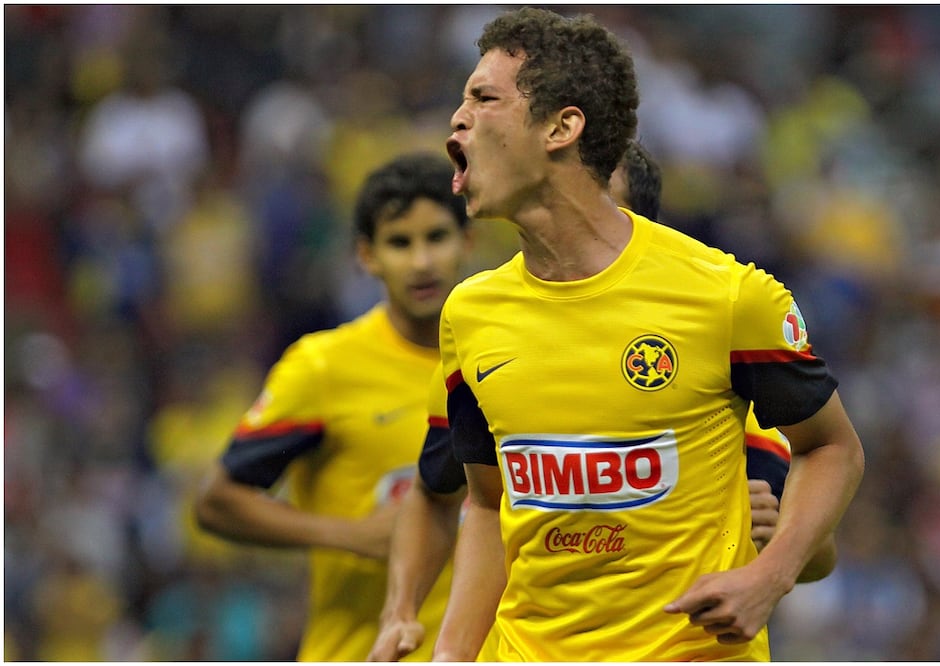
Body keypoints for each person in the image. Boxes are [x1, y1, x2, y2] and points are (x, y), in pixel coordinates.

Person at [430, 7, 864, 662]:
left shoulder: (724, 295)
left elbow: (831, 448)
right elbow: (487, 509)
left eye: (483, 98)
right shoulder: (469, 313)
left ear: (560, 126)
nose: (457, 120)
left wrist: (768, 576)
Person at [367, 141, 836, 662]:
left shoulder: (724, 400)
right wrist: (406, 615)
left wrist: (772, 548)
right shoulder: (478, 338)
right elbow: (449, 495)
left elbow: (820, 542)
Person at [193, 152, 473, 661]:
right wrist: (352, 536)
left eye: (436, 237)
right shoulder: (324, 368)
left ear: (466, 241)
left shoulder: (494, 359)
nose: (421, 262)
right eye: (399, 243)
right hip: (356, 651)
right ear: (367, 256)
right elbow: (216, 500)